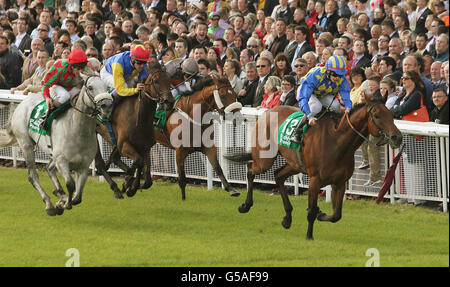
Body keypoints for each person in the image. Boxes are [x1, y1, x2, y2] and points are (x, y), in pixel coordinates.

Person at [291, 55, 352, 143]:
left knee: (336, 105)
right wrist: (310, 116)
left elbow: (345, 93)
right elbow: (304, 98)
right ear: (328, 71)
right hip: (306, 91)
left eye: (340, 75)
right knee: (316, 107)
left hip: (321, 93)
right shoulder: (316, 74)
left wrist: (348, 107)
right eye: (335, 74)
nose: (338, 78)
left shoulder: (341, 79)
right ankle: (297, 130)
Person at [40, 49, 88, 124]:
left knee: (80, 94)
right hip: (55, 86)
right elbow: (46, 83)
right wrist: (47, 98)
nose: (81, 71)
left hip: (70, 88)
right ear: (71, 66)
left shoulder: (85, 67)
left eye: (83, 67)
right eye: (78, 68)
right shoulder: (60, 66)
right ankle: (47, 114)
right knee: (65, 96)